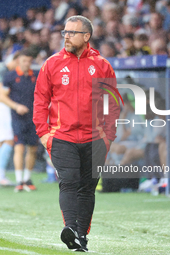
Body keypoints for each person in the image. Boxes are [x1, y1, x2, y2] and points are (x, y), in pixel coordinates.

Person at [33, 15, 120, 252]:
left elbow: (113, 104)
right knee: (69, 182)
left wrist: (108, 136)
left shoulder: (102, 65)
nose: (67, 36)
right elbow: (40, 100)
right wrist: (44, 134)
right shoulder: (51, 64)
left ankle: (81, 236)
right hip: (62, 137)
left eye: (72, 32)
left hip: (96, 139)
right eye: (65, 32)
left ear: (86, 36)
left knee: (87, 188)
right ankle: (69, 229)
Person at [0, 50, 38, 192]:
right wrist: (16, 106)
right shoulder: (10, 77)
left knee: (32, 149)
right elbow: (2, 97)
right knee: (19, 147)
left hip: (34, 118)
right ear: (18, 61)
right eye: (24, 61)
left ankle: (27, 179)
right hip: (18, 118)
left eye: (29, 61)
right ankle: (19, 180)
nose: (27, 64)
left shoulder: (36, 76)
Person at [0, 54, 19, 187]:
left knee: (1, 142)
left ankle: (0, 175)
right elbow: (1, 94)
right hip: (2, 108)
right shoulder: (4, 71)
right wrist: (15, 106)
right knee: (8, 140)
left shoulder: (2, 70)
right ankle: (0, 176)